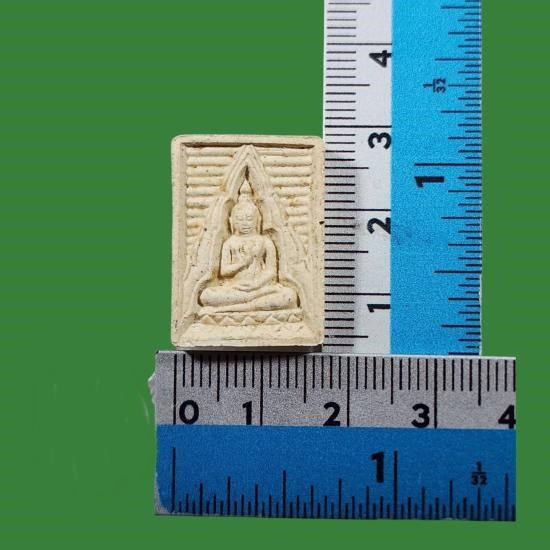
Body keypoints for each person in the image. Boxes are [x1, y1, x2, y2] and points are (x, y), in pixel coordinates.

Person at [199, 180, 298, 312]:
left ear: (258, 220)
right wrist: (242, 263)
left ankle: (236, 308)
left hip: (261, 289)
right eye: (240, 219)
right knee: (206, 295)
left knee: (289, 295)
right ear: (231, 221)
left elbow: (271, 271)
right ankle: (252, 305)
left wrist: (256, 284)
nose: (245, 223)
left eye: (249, 219)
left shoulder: (265, 242)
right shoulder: (230, 243)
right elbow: (224, 271)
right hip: (235, 289)